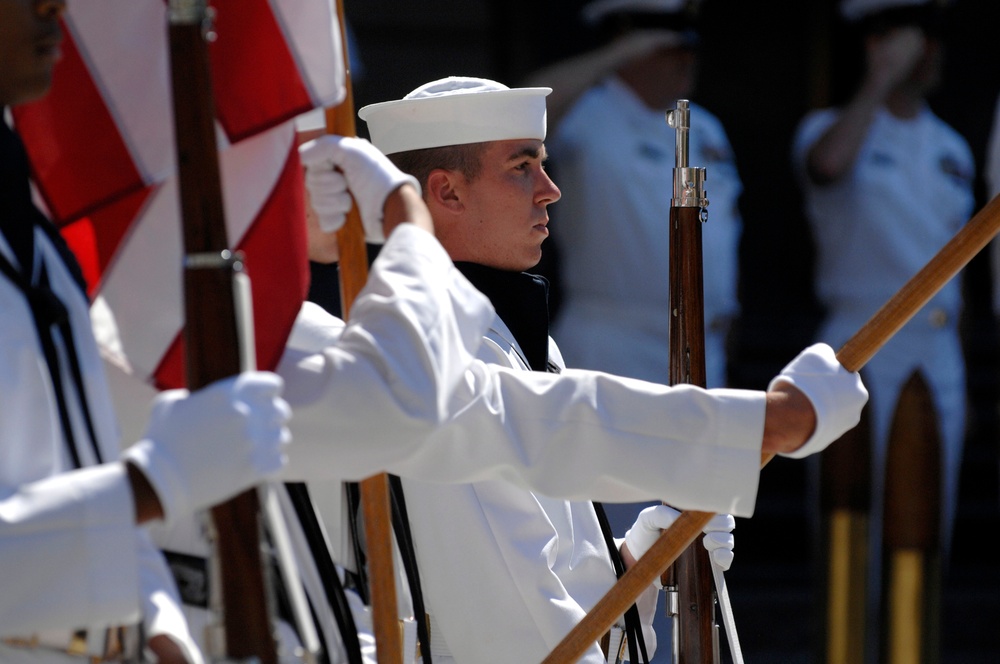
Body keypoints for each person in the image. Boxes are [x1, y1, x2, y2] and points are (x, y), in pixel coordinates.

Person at [354, 74, 866, 663]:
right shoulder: (437, 357)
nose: (550, 190)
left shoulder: (519, 342)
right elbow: (514, 632)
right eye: (521, 168)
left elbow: (559, 581)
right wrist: (775, 422)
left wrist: (641, 558)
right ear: (446, 193)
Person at [1, 0, 293, 661]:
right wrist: (153, 481)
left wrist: (160, 624)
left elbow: (70, 468)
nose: (55, 7)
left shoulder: (30, 238)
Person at [524, 3, 745, 653]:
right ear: (629, 36)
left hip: (698, 349)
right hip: (610, 338)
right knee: (620, 542)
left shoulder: (704, 126)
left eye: (688, 42)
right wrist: (616, 57)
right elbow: (522, 112)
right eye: (668, 41)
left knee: (704, 539)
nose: (685, 56)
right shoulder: (589, 114)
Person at [791, 0, 975, 660]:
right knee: (851, 539)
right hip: (862, 343)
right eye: (908, 32)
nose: (927, 49)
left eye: (929, 34)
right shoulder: (831, 127)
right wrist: (875, 81)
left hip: (937, 352)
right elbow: (827, 166)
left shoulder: (951, 146)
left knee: (926, 534)